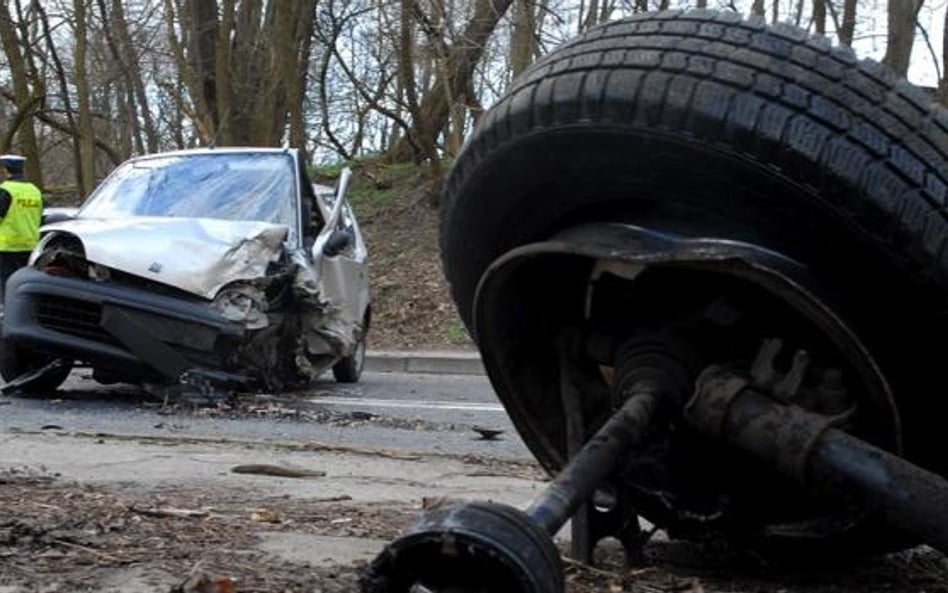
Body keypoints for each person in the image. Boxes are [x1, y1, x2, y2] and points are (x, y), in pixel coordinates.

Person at [0, 154, 43, 299]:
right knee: (25, 284)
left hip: (7, 247)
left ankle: (6, 314)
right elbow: (41, 216)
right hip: (31, 245)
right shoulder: (35, 191)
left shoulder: (5, 190)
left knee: (7, 283)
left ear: (6, 170)